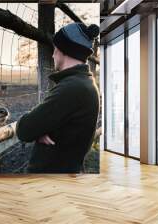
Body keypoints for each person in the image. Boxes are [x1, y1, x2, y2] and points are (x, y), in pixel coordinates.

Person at [16, 22, 100, 173]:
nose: (53, 54)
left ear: (64, 51)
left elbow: (24, 129)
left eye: (55, 49)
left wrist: (36, 129)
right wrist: (40, 129)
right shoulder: (85, 82)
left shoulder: (72, 88)